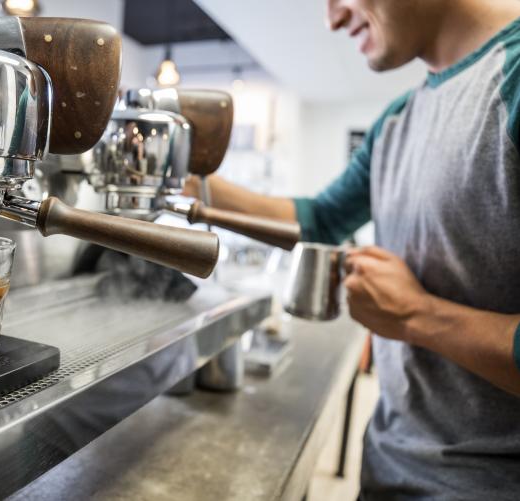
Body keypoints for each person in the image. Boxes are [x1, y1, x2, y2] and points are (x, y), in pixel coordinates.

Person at [184, 0, 520, 499]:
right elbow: (320, 218)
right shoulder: (398, 119)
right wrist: (189, 185)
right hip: (388, 464)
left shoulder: (510, 82)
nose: (332, 18)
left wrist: (417, 317)